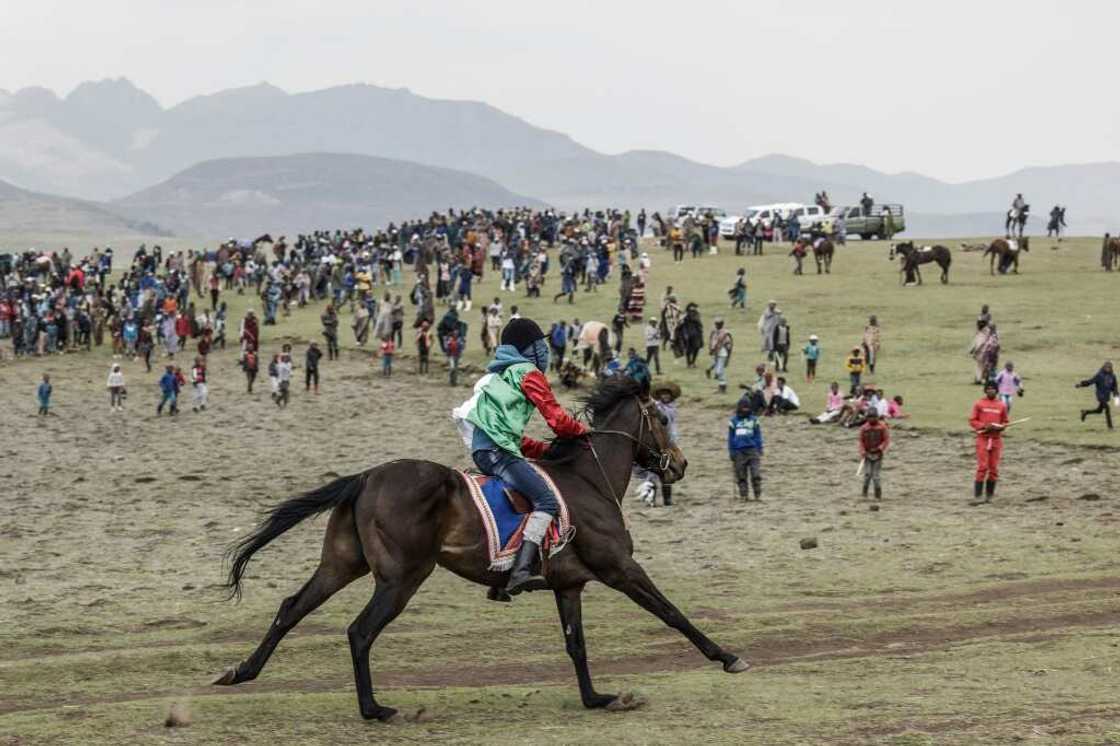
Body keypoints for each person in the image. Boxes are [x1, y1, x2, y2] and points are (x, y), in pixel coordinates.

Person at [452, 318, 589, 595]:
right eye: (541, 345)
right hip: (497, 452)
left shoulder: (500, 376)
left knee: (519, 502)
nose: (545, 351)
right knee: (546, 501)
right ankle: (520, 572)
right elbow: (558, 421)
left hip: (485, 450)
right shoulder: (528, 372)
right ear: (531, 348)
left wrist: (544, 450)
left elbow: (508, 434)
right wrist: (584, 432)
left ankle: (499, 579)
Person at [969, 381, 1009, 502]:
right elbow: (972, 420)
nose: (991, 390)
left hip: (996, 440)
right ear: (985, 390)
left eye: (993, 389)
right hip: (983, 439)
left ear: (997, 391)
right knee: (983, 467)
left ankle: (989, 496)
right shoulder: (979, 404)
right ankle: (978, 496)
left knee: (994, 468)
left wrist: (1001, 427)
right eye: (988, 388)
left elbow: (1005, 421)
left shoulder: (1002, 405)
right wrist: (984, 426)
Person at [728, 397, 763, 501]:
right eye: (744, 408)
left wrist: (759, 449)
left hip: (753, 450)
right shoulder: (733, 421)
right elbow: (730, 438)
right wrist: (732, 451)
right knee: (741, 475)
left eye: (747, 408)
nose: (746, 410)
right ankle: (744, 495)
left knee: (755, 474)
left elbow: (758, 435)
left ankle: (757, 494)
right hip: (739, 451)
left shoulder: (754, 420)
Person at [858, 408, 890, 499]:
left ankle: (878, 494)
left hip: (878, 454)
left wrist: (880, 448)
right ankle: (864, 493)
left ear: (877, 417)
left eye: (873, 417)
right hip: (867, 454)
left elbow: (886, 440)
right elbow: (861, 441)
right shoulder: (864, 428)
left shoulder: (882, 427)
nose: (871, 419)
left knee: (876, 476)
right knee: (867, 475)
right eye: (870, 417)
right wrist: (862, 451)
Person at [1076, 361, 1118, 430]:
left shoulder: (1113, 376)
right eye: (1106, 367)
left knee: (1099, 411)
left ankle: (1085, 412)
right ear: (1103, 367)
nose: (1107, 369)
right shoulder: (1099, 375)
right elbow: (1090, 381)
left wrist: (1116, 398)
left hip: (1106, 396)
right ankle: (1110, 427)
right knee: (1107, 408)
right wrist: (1080, 385)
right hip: (1100, 395)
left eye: (1109, 368)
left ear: (1111, 368)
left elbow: (1114, 387)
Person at [706, 317, 734, 393]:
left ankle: (722, 386)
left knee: (719, 371)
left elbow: (728, 342)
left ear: (722, 324)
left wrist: (727, 346)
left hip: (723, 353)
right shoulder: (714, 332)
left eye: (718, 324)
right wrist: (712, 349)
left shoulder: (725, 333)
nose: (717, 325)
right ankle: (721, 387)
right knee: (719, 370)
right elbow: (712, 341)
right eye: (716, 324)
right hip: (716, 353)